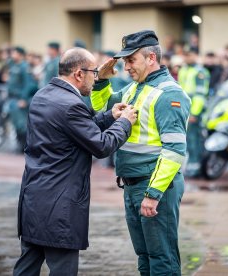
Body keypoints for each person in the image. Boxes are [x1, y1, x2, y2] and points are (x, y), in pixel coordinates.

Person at [13, 47, 137, 276]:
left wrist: (110, 116)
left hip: (33, 200)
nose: (95, 78)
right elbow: (101, 146)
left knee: (26, 269)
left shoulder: (43, 94)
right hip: (59, 206)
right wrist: (125, 123)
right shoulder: (71, 104)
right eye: (94, 73)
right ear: (79, 73)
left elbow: (73, 130)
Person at [90, 30, 191, 275]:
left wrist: (153, 194)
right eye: (124, 61)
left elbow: (175, 151)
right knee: (145, 257)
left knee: (161, 258)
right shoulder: (135, 88)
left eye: (131, 60)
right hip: (133, 184)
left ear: (151, 59)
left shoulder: (169, 94)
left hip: (154, 188)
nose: (126, 67)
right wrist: (101, 81)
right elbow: (103, 109)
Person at [178, 48, 210, 178]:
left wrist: (195, 113)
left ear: (196, 56)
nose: (187, 58)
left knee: (194, 140)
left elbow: (200, 95)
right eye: (185, 55)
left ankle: (196, 167)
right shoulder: (183, 70)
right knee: (187, 140)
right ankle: (191, 166)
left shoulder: (200, 72)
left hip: (194, 112)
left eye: (190, 55)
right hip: (184, 110)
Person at [7, 46, 33, 151]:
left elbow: (28, 84)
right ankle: (19, 145)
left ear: (20, 55)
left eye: (14, 53)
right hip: (12, 99)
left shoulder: (24, 66)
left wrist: (24, 99)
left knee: (22, 124)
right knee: (15, 123)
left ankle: (24, 146)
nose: (12, 55)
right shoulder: (13, 66)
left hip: (19, 99)